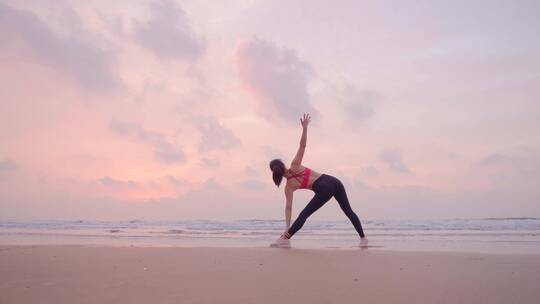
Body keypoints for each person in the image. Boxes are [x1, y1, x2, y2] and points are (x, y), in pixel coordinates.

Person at [269, 113, 368, 248]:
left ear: (275, 174)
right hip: (333, 180)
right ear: (282, 165)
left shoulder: (289, 186)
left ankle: (285, 238)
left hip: (323, 188)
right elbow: (302, 146)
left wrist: (287, 226)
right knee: (348, 211)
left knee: (305, 213)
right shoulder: (295, 165)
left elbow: (288, 208)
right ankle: (363, 238)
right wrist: (305, 127)